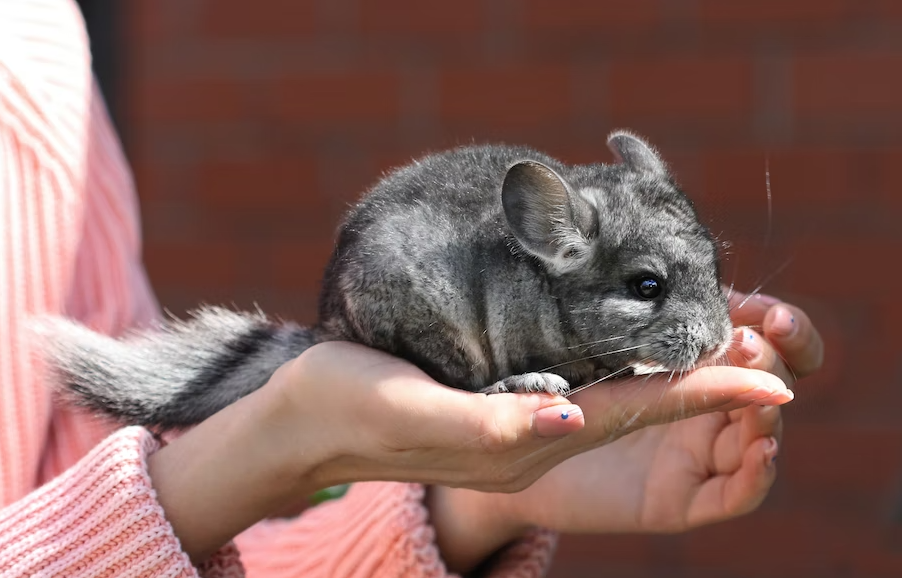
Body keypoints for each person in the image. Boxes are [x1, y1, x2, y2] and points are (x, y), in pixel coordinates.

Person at [0, 1, 824, 576]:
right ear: (556, 242)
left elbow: (206, 551)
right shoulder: (36, 86)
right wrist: (274, 441)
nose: (702, 321)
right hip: (409, 294)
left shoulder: (44, 64)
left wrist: (477, 503)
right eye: (649, 289)